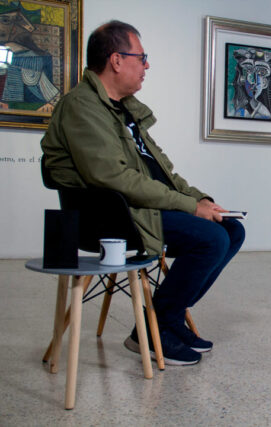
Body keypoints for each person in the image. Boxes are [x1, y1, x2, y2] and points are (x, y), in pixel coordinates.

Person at [41, 21, 245, 365]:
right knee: (211, 239)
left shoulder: (124, 109)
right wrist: (188, 207)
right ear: (116, 60)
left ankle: (165, 318)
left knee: (231, 229)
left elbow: (162, 170)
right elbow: (114, 179)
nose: (146, 65)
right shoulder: (81, 107)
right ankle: (156, 328)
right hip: (113, 216)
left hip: (141, 207)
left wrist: (200, 200)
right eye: (142, 57)